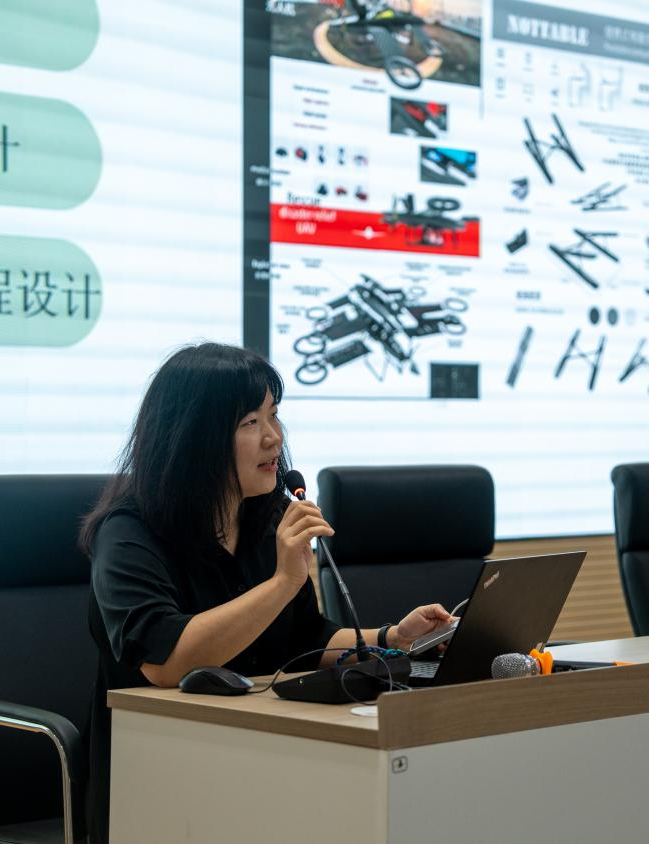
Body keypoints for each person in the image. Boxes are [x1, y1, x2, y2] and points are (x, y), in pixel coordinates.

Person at [79, 342, 453, 842]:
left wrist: (394, 638)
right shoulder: (129, 532)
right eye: (250, 423)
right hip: (159, 772)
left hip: (261, 754)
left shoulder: (268, 517)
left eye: (274, 415)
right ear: (194, 438)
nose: (274, 437)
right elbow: (167, 663)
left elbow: (305, 638)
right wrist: (282, 582)